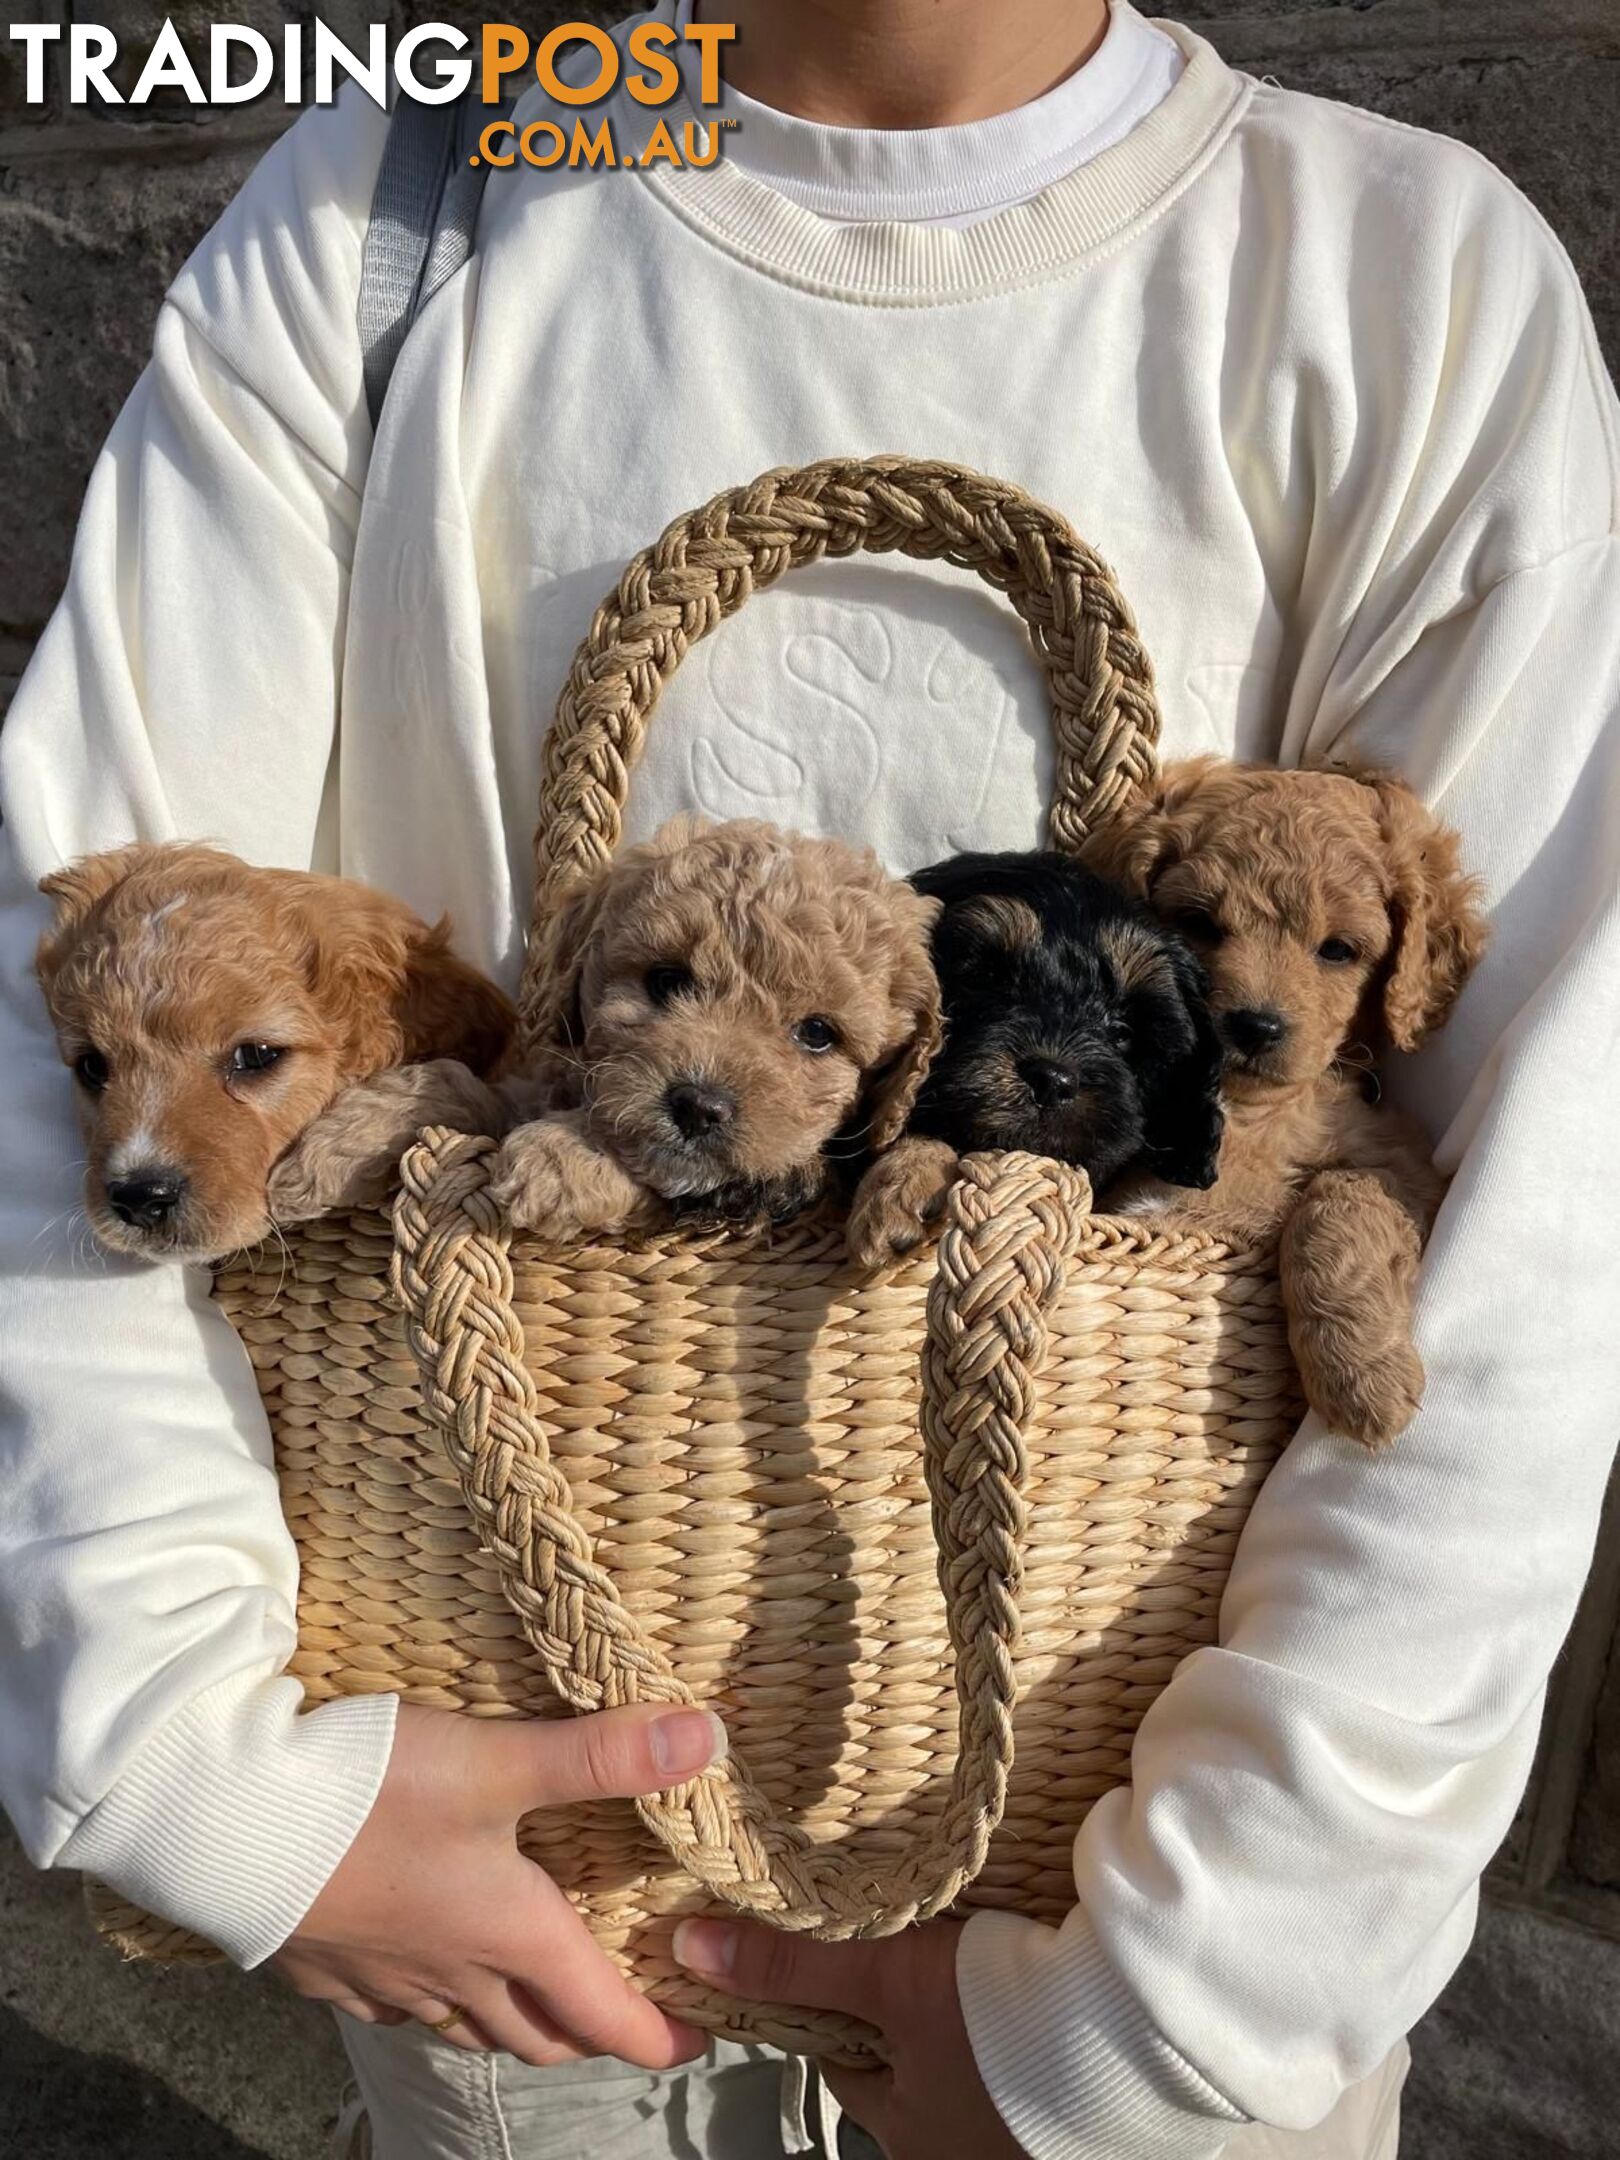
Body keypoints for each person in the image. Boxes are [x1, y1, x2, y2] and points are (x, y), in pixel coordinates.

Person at [1, 0, 1616, 2155]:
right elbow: (85, 1010)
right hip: (506, 1901)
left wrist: (1182, 2003)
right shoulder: (415, 187)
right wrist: (219, 1782)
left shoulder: (1389, 268)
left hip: (1138, 1895)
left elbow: (1535, 1203)